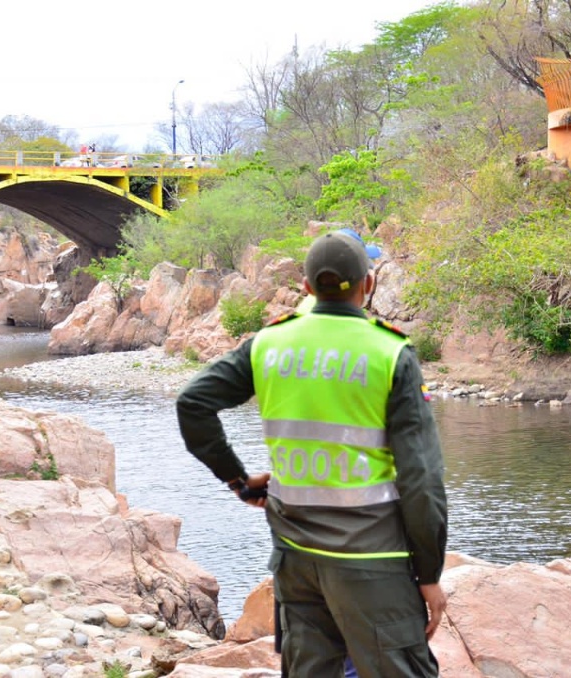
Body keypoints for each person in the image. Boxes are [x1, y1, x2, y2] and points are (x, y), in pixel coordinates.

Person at [176, 230, 447, 678]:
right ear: (369, 284)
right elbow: (422, 480)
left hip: (296, 557)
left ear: (305, 287)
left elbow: (193, 403)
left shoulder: (269, 343)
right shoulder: (389, 351)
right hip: (372, 561)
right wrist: (429, 574)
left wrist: (237, 480)